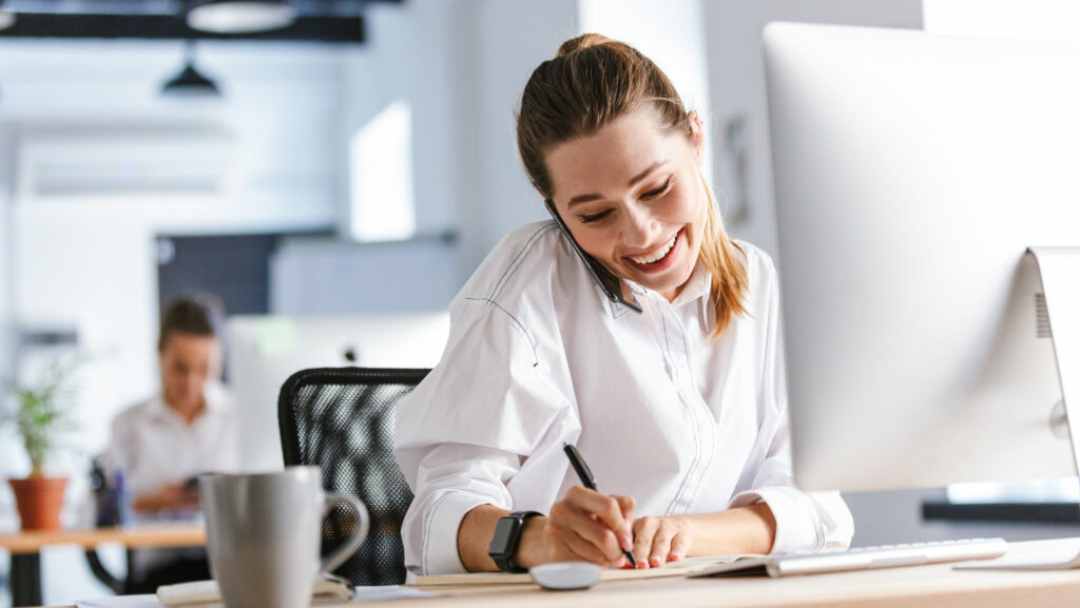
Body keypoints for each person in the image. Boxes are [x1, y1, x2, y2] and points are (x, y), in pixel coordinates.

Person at [393, 34, 854, 576]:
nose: (641, 233)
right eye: (594, 215)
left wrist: (684, 536)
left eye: (656, 188)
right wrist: (538, 540)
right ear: (557, 210)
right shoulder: (527, 285)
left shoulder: (757, 282)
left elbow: (820, 509)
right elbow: (436, 519)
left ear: (695, 140)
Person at [102, 296, 237, 590]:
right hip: (157, 573)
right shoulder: (128, 424)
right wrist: (157, 500)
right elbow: (104, 507)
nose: (191, 382)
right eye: (180, 368)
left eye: (204, 369)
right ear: (159, 355)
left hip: (229, 567)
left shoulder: (239, 418)